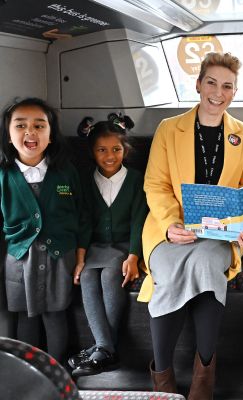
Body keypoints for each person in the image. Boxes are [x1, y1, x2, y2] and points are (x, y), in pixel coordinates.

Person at [139, 52, 243, 400]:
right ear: (198, 84)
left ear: (234, 92)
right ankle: (163, 381)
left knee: (208, 263)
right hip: (170, 229)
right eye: (211, 82)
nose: (218, 93)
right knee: (167, 270)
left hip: (221, 233)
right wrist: (170, 224)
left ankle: (203, 380)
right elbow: (155, 185)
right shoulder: (168, 129)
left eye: (227, 86)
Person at [0, 97, 84, 363]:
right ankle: (30, 373)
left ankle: (58, 370)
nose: (30, 132)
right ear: (9, 135)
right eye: (20, 125)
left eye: (39, 126)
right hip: (19, 259)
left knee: (55, 315)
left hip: (59, 257)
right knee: (26, 316)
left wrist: (79, 255)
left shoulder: (66, 173)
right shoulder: (3, 175)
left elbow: (81, 213)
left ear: (51, 135)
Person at [67, 114, 148, 377]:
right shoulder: (86, 180)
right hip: (96, 246)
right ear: (92, 152)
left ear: (125, 150)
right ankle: (106, 350)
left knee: (112, 273)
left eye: (116, 149)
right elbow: (84, 221)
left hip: (124, 246)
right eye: (102, 150)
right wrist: (80, 258)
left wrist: (133, 256)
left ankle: (101, 348)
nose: (110, 156)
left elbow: (139, 221)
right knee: (88, 276)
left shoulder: (136, 180)